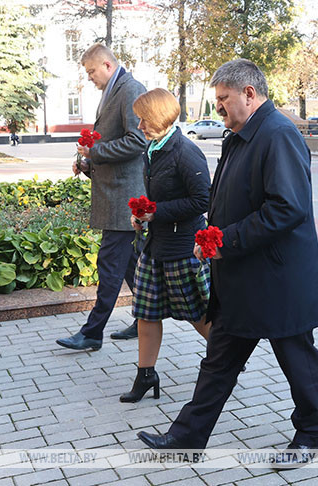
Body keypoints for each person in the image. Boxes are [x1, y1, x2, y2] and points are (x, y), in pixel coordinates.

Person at [136, 59, 318, 468]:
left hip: (278, 280)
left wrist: (225, 241)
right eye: (217, 100)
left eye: (223, 99)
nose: (219, 108)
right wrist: (210, 238)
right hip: (243, 278)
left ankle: (311, 434)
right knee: (219, 361)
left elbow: (287, 207)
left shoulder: (278, 135)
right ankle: (187, 436)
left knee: (297, 357)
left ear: (249, 94)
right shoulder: (241, 135)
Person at [120, 88, 212, 403]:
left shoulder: (185, 152)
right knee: (147, 313)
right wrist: (143, 217)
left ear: (159, 117)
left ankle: (226, 360)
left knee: (198, 313)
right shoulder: (154, 148)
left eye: (144, 119)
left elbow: (202, 200)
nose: (140, 125)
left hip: (182, 248)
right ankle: (146, 375)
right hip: (154, 247)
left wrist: (156, 212)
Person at [55, 43, 147, 351]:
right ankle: (145, 318)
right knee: (132, 265)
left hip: (124, 198)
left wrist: (96, 152)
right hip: (116, 194)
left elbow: (138, 140)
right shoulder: (114, 89)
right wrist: (88, 162)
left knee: (109, 264)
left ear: (107, 65)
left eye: (92, 71)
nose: (90, 78)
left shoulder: (130, 88)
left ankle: (92, 332)